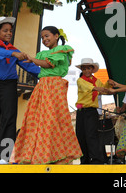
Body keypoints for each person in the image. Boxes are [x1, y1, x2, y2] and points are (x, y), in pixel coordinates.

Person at [12, 26, 82, 164]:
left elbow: (48, 65)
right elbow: (41, 64)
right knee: (37, 119)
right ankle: (38, 155)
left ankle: (58, 155)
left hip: (54, 86)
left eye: (47, 36)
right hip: (43, 86)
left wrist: (32, 59)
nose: (44, 39)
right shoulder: (44, 53)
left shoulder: (61, 50)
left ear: (56, 36)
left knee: (52, 119)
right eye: (42, 37)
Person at [0, 17, 40, 164]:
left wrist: (48, 74)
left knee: (8, 119)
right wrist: (13, 54)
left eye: (10, 31)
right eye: (5, 30)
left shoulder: (15, 51)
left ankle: (5, 157)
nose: (9, 33)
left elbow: (30, 68)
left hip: (9, 86)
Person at [75, 58, 110, 164]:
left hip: (91, 111)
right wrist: (97, 89)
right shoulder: (80, 80)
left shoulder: (96, 81)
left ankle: (96, 160)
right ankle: (84, 160)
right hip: (81, 112)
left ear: (92, 69)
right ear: (82, 70)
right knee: (81, 136)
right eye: (84, 68)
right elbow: (88, 87)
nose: (86, 71)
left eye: (88, 68)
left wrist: (109, 84)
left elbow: (103, 88)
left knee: (91, 135)